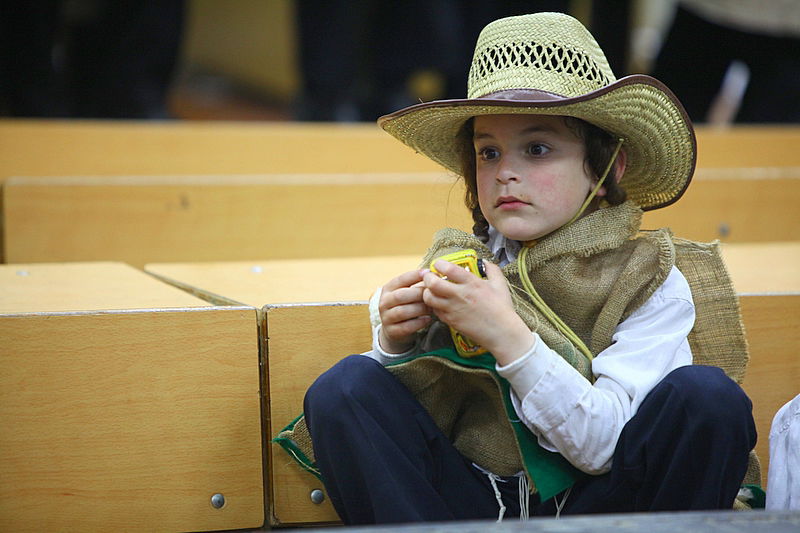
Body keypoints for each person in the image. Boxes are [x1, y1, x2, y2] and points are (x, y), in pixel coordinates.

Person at [285, 12, 757, 524]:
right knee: (345, 389)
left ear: (607, 169)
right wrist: (395, 344)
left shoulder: (650, 278)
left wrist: (508, 337)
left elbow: (603, 448)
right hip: (471, 505)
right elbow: (415, 418)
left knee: (707, 400)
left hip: (605, 509)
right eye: (488, 152)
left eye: (537, 149)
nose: (506, 171)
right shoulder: (459, 262)